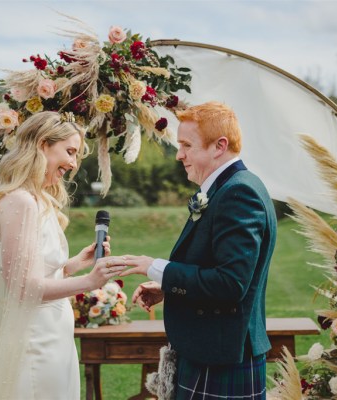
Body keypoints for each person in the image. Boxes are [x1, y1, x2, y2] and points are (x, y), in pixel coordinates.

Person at [0, 111, 125, 400]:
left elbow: (38, 272)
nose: (73, 164)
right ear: (43, 144)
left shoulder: (35, 199)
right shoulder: (20, 202)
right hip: (35, 342)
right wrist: (91, 281)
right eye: (69, 151)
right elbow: (24, 288)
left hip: (52, 337)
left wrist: (73, 265)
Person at [119, 102, 277, 399]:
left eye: (186, 145)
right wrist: (169, 286)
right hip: (214, 350)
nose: (179, 155)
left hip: (221, 356)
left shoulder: (239, 193)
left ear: (219, 146)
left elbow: (231, 284)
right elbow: (213, 268)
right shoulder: (228, 188)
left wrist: (155, 267)